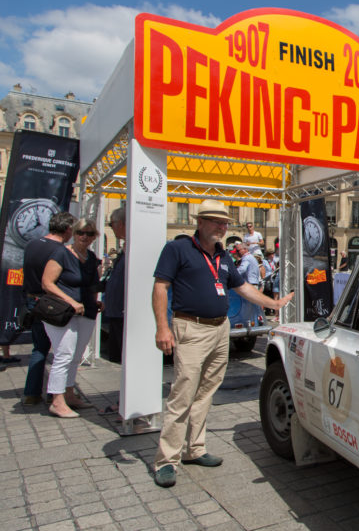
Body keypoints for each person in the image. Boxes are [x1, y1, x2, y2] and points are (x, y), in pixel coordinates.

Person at [151, 200, 293, 488]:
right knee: (183, 393)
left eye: (225, 223)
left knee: (205, 392)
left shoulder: (223, 256)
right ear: (200, 222)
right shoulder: (178, 249)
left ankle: (195, 449)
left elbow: (243, 288)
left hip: (220, 330)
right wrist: (162, 328)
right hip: (190, 327)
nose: (222, 227)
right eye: (216, 221)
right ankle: (167, 460)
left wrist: (274, 303)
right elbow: (160, 287)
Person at [42, 218, 102, 418]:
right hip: (64, 313)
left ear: (95, 237)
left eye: (90, 234)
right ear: (73, 233)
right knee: (63, 354)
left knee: (76, 355)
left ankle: (69, 393)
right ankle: (56, 401)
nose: (85, 237)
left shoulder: (91, 257)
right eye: (81, 233)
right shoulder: (61, 253)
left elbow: (92, 284)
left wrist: (95, 301)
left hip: (86, 312)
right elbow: (47, 283)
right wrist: (71, 301)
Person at [22, 211, 76, 406]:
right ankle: (57, 394)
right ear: (68, 229)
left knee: (39, 348)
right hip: (53, 304)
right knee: (62, 350)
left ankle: (32, 393)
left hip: (33, 300)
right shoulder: (59, 251)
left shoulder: (32, 245)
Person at [102, 207, 126, 364]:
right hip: (116, 312)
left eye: (112, 224)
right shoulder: (126, 247)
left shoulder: (134, 247)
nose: (111, 228)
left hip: (123, 314)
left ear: (122, 224)